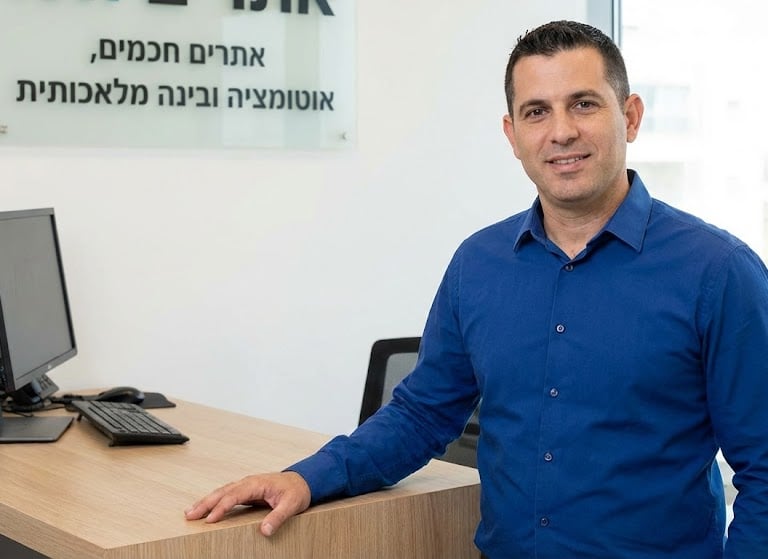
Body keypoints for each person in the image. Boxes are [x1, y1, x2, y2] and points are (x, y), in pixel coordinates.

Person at [185, 20, 768, 558]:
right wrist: (306, 477)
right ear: (513, 135)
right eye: (537, 112)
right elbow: (420, 416)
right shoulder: (480, 264)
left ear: (631, 116)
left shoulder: (718, 272)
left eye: (584, 104)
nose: (561, 131)